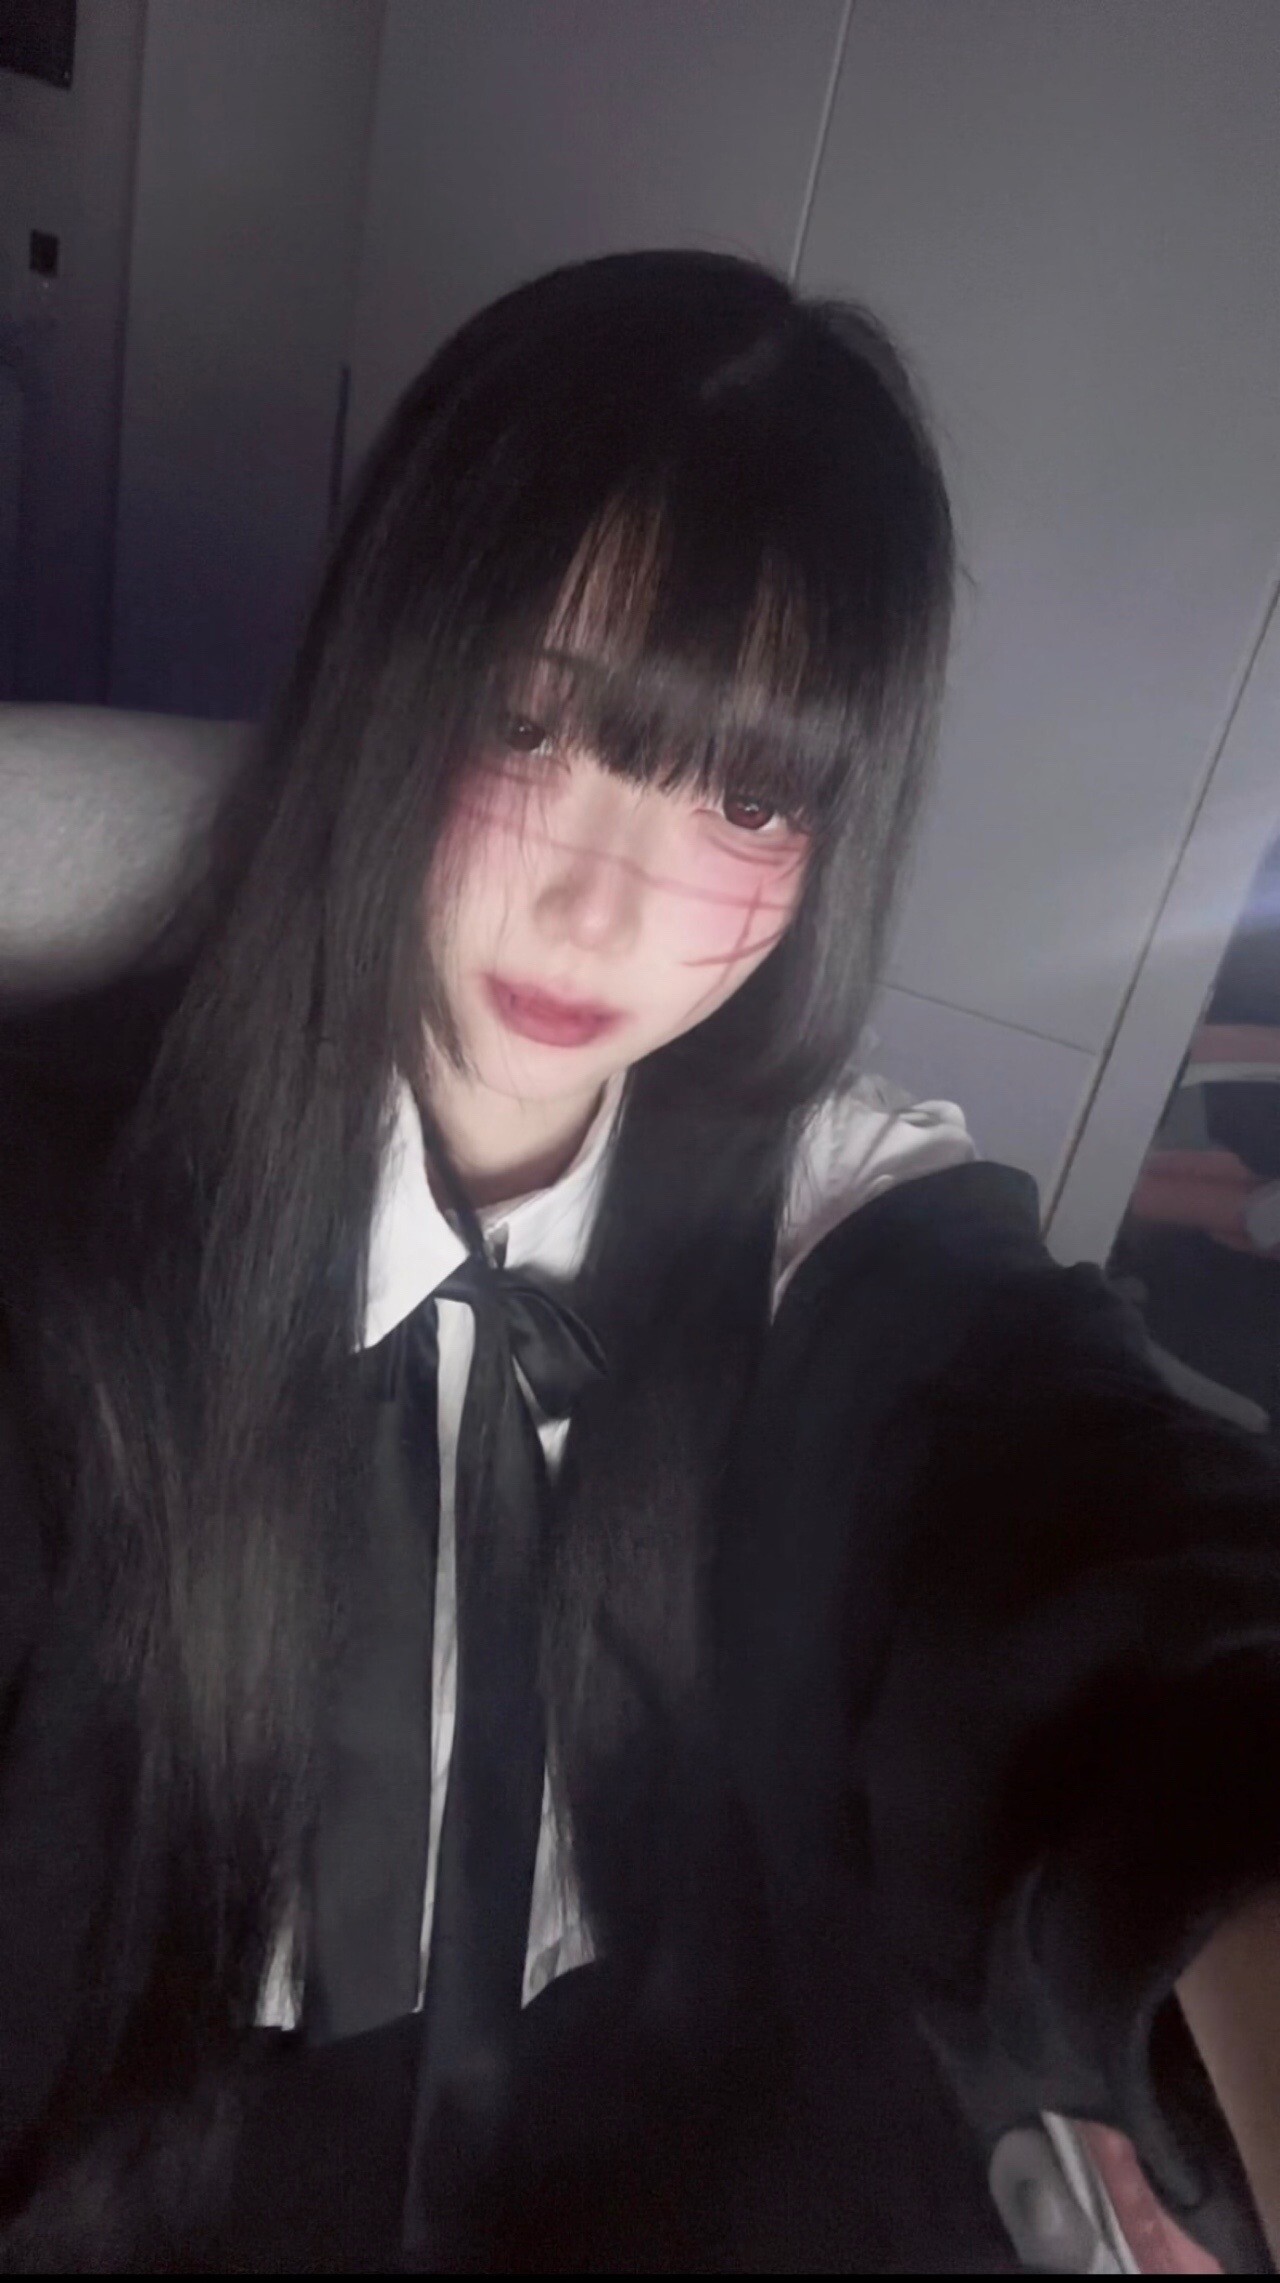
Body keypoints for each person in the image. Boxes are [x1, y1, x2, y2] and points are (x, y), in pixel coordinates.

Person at [1, 248, 1279, 2273]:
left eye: (748, 795)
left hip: (646, 2135)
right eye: (532, 725)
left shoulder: (821, 1215)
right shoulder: (70, 1205)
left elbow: (1100, 1545)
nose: (606, 909)